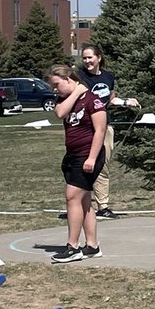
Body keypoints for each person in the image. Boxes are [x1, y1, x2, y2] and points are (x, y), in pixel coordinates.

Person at [48, 64, 108, 263]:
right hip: (72, 155)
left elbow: (100, 130)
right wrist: (76, 93)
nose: (54, 89)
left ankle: (72, 246)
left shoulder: (93, 100)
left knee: (72, 197)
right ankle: (92, 245)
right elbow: (59, 113)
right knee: (84, 201)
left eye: (57, 84)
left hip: (88, 155)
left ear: (69, 79)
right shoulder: (66, 99)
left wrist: (91, 158)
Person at [77, 44, 140, 220]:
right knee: (85, 164)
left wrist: (126, 102)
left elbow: (111, 99)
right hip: (86, 127)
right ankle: (82, 204)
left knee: (103, 166)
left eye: (90, 57)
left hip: (105, 126)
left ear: (99, 58)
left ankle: (103, 206)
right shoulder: (80, 77)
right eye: (84, 58)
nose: (87, 61)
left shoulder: (108, 76)